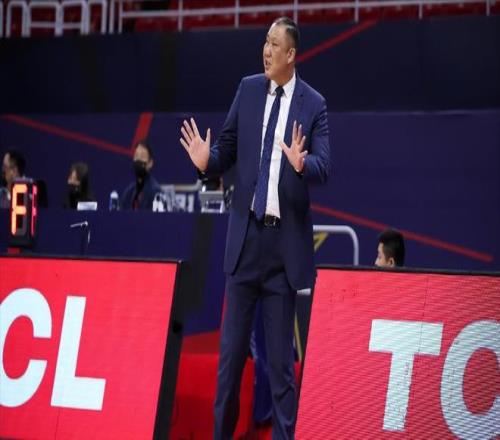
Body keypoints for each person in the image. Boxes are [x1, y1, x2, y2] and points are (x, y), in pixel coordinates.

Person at [180, 17, 330, 439]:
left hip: (283, 254)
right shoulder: (247, 90)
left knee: (281, 371)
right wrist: (206, 162)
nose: (266, 50)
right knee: (229, 367)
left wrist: (302, 164)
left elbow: (325, 165)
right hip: (245, 246)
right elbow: (225, 149)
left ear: (291, 54)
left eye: (274, 44)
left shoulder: (313, 104)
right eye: (265, 42)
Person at [120, 140, 162, 210]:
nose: (138, 160)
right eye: (136, 156)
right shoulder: (129, 192)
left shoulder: (156, 192)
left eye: (142, 156)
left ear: (150, 163)